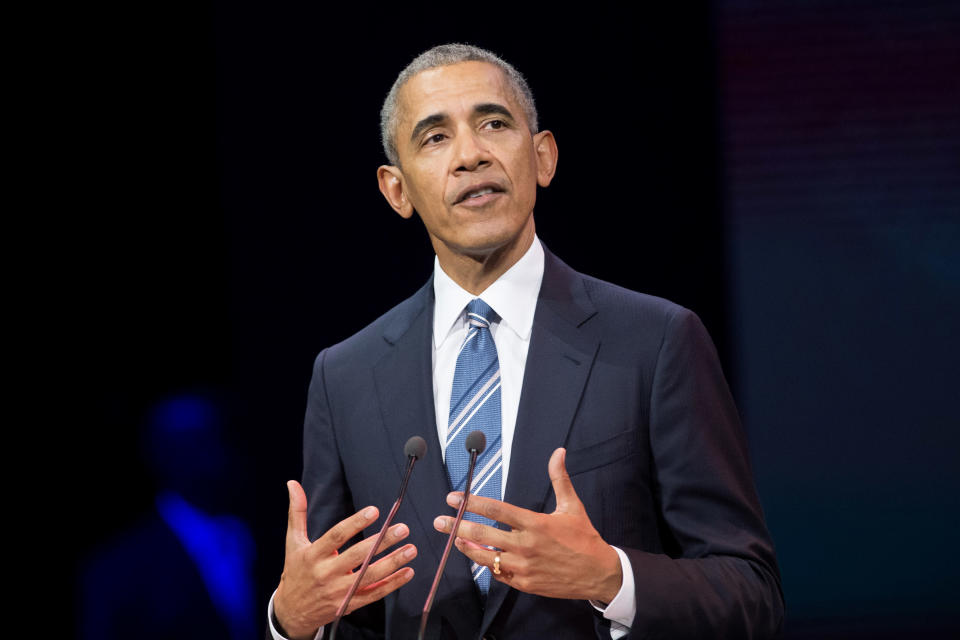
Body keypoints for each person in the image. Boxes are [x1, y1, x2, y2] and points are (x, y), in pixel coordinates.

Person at [267, 43, 784, 640]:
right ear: (397, 191)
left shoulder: (655, 341)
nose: (470, 155)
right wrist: (291, 623)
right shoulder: (345, 377)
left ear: (543, 157)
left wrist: (610, 579)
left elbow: (751, 592)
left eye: (493, 123)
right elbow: (344, 610)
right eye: (434, 138)